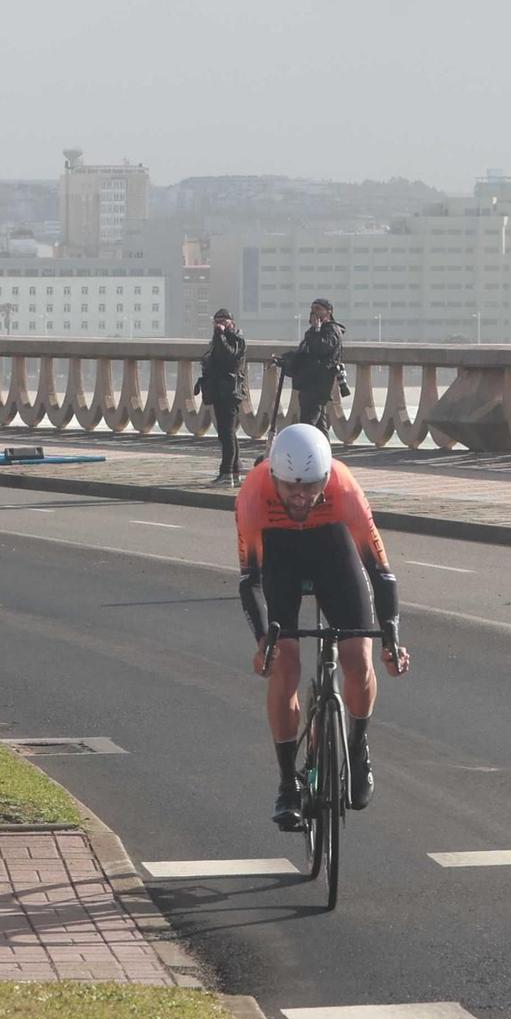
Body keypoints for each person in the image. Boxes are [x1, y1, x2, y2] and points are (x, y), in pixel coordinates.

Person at [236, 423, 409, 829]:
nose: (300, 496)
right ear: (274, 476)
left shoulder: (344, 489)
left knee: (357, 658)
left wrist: (391, 636)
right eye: (291, 488)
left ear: (326, 477)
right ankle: (286, 784)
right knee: (284, 665)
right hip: (281, 556)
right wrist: (265, 641)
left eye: (311, 487)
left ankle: (358, 744)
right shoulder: (254, 495)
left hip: (332, 549)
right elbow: (250, 580)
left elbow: (380, 571)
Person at [278, 298, 345, 434]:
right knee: (319, 425)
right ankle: (324, 453)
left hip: (319, 383)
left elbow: (321, 348)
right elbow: (304, 353)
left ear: (328, 312)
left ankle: (307, 452)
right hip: (308, 382)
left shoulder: (331, 330)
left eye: (318, 309)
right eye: (312, 309)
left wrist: (317, 329)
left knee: (308, 424)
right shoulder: (312, 331)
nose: (314, 312)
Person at [196, 309, 248, 485]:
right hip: (219, 391)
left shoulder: (237, 339)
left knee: (227, 433)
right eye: (216, 321)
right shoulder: (217, 340)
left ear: (231, 323)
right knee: (226, 433)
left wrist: (221, 335)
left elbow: (230, 358)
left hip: (230, 392)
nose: (219, 325)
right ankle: (235, 471)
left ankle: (226, 472)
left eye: (223, 321)